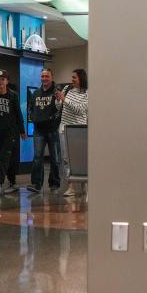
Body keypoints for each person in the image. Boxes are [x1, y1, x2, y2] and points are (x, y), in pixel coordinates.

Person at [0, 69, 26, 195]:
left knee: (4, 156)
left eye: (2, 79)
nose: (0, 82)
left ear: (7, 81)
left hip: (11, 131)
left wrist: (22, 131)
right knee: (6, 157)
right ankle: (12, 181)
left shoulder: (13, 95)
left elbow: (18, 113)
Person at [27, 68, 61, 193]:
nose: (44, 79)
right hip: (38, 130)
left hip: (52, 130)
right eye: (42, 76)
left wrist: (54, 122)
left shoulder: (56, 92)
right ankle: (36, 184)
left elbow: (60, 109)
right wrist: (33, 117)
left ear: (52, 77)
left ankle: (54, 184)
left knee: (55, 159)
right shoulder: (36, 93)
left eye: (47, 76)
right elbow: (30, 107)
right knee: (37, 157)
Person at [56, 69, 88, 198]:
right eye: (72, 77)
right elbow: (59, 107)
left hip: (79, 129)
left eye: (74, 77)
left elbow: (80, 110)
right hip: (64, 128)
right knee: (66, 159)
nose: (72, 79)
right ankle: (70, 187)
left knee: (81, 158)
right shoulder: (66, 90)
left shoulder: (87, 93)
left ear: (81, 78)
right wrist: (58, 100)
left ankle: (84, 184)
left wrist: (65, 100)